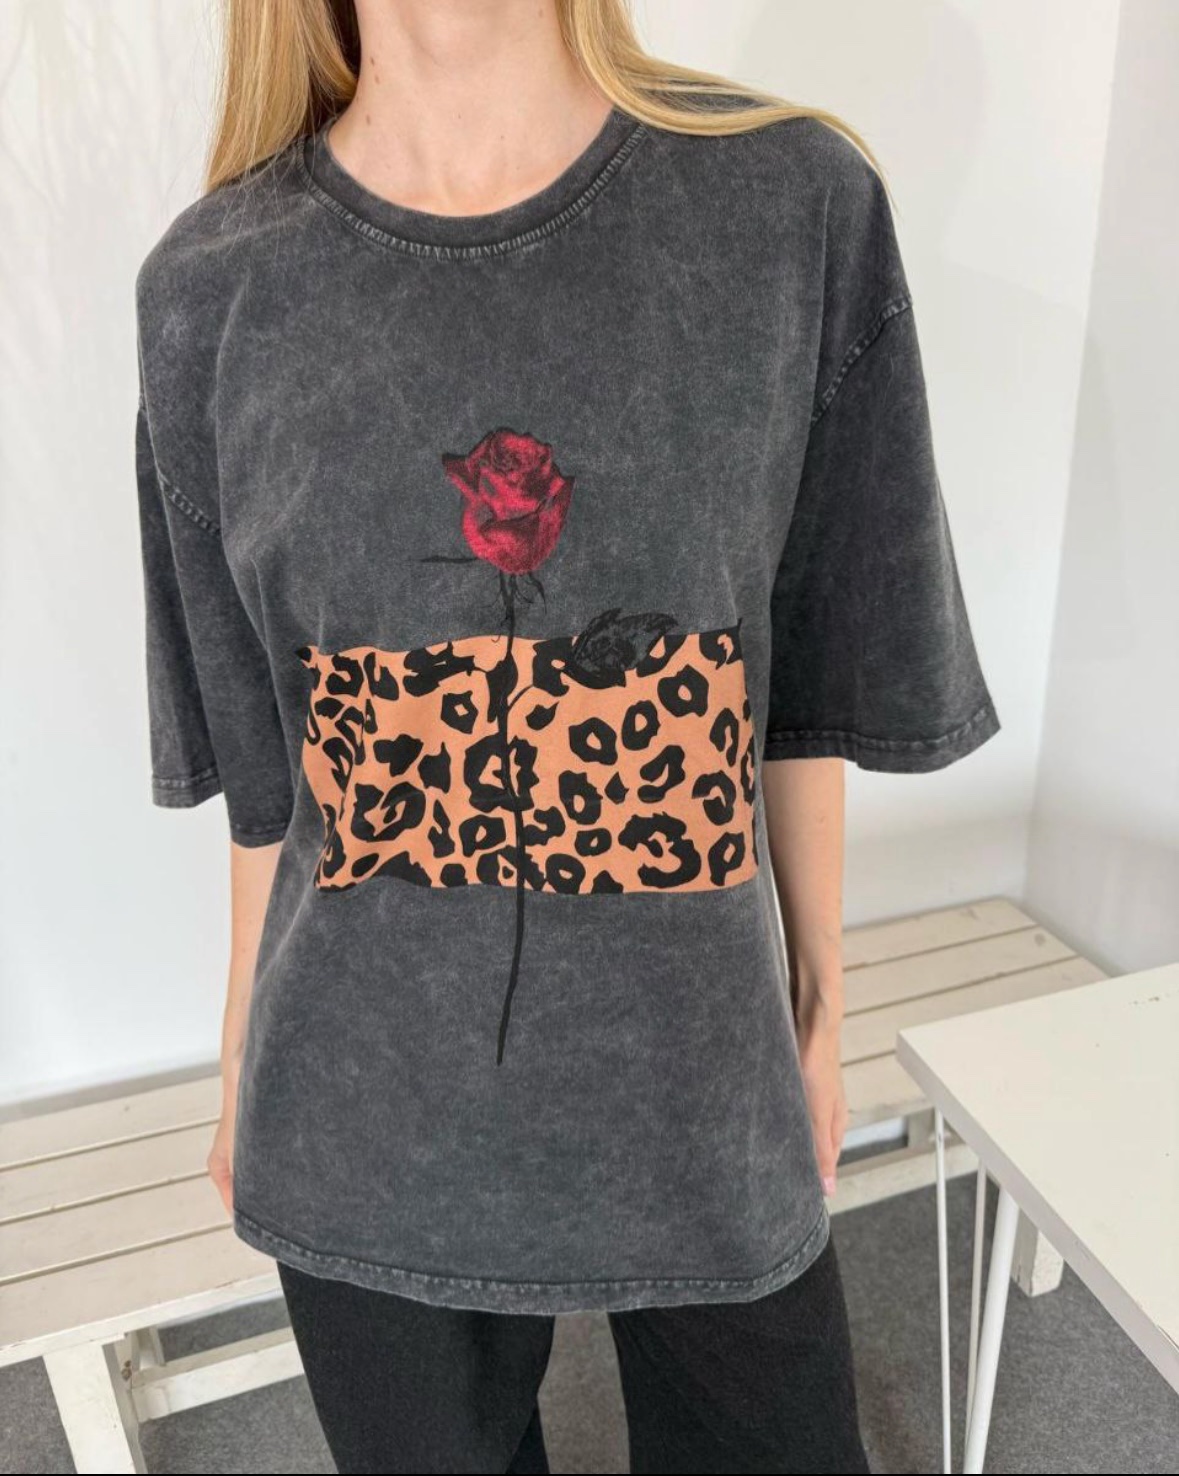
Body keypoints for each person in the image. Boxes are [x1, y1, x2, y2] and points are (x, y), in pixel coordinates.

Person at [133, 1, 1001, 1470]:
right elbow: (273, 786)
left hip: (700, 1083)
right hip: (358, 1111)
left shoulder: (791, 207)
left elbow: (796, 677)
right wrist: (241, 1070)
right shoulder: (208, 293)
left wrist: (818, 1009)